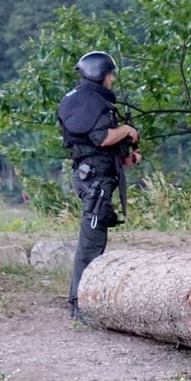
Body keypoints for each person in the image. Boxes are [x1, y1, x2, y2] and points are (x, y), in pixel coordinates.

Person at [57, 51, 141, 321]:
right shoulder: (91, 101)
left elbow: (95, 146)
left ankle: (84, 301)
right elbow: (101, 137)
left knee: (96, 237)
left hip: (94, 175)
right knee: (90, 242)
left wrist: (125, 157)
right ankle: (79, 305)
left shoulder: (83, 100)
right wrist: (127, 130)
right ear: (100, 73)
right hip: (95, 181)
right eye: (110, 73)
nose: (112, 79)